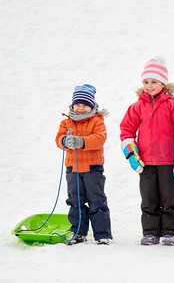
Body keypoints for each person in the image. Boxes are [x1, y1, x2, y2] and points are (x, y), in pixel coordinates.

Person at [120, 56, 174, 246]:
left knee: (169, 198)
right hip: (146, 163)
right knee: (149, 198)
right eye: (146, 82)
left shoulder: (173, 106)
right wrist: (132, 155)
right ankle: (150, 231)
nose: (149, 86)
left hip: (168, 162)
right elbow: (126, 131)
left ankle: (169, 232)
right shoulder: (137, 107)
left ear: (163, 84)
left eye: (154, 82)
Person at [55, 84, 113, 245]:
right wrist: (64, 141)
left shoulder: (97, 121)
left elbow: (99, 139)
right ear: (73, 105)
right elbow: (58, 140)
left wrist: (82, 141)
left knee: (97, 200)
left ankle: (103, 234)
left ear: (92, 105)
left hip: (93, 169)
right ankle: (78, 232)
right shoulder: (66, 122)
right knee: (75, 201)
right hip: (72, 169)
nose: (81, 108)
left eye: (85, 105)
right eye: (78, 104)